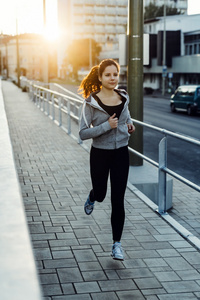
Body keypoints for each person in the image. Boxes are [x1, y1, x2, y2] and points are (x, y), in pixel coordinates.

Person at [79, 59, 135, 261]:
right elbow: (83, 133)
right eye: (108, 75)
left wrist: (129, 125)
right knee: (102, 194)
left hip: (121, 152)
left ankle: (116, 244)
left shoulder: (123, 97)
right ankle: (92, 196)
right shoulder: (90, 103)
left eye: (115, 74)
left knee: (118, 199)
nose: (113, 78)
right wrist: (106, 126)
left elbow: (126, 118)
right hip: (100, 154)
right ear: (101, 77)